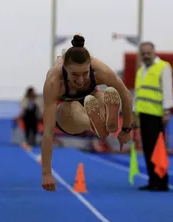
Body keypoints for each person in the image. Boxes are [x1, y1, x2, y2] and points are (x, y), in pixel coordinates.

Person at [41, 34, 133, 191]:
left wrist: (126, 129)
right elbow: (48, 132)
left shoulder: (99, 70)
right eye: (74, 75)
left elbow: (126, 95)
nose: (80, 79)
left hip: (92, 101)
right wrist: (46, 173)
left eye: (84, 73)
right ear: (65, 69)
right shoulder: (54, 81)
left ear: (90, 66)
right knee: (74, 107)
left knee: (105, 95)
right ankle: (94, 124)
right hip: (68, 117)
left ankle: (107, 124)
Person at [133, 41, 173, 192]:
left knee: (158, 150)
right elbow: (138, 93)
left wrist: (167, 110)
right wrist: (134, 113)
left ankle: (161, 182)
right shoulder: (141, 70)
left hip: (156, 115)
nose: (145, 56)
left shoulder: (163, 67)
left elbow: (167, 90)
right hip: (143, 114)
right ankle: (152, 180)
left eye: (148, 53)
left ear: (154, 52)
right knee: (147, 150)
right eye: (143, 53)